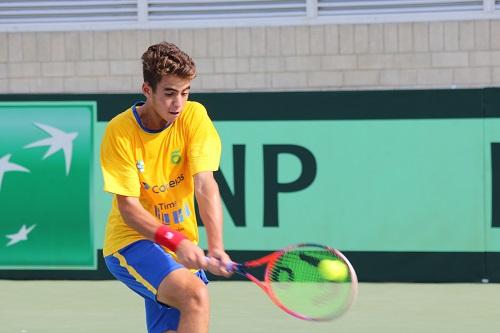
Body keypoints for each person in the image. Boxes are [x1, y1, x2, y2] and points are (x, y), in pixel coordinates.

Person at [100, 41, 232, 333]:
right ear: (147, 90)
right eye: (170, 93)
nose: (178, 104)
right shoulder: (119, 132)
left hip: (179, 247)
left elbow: (205, 184)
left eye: (185, 93)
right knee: (195, 295)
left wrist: (217, 245)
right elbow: (128, 208)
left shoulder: (193, 117)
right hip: (131, 243)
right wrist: (175, 241)